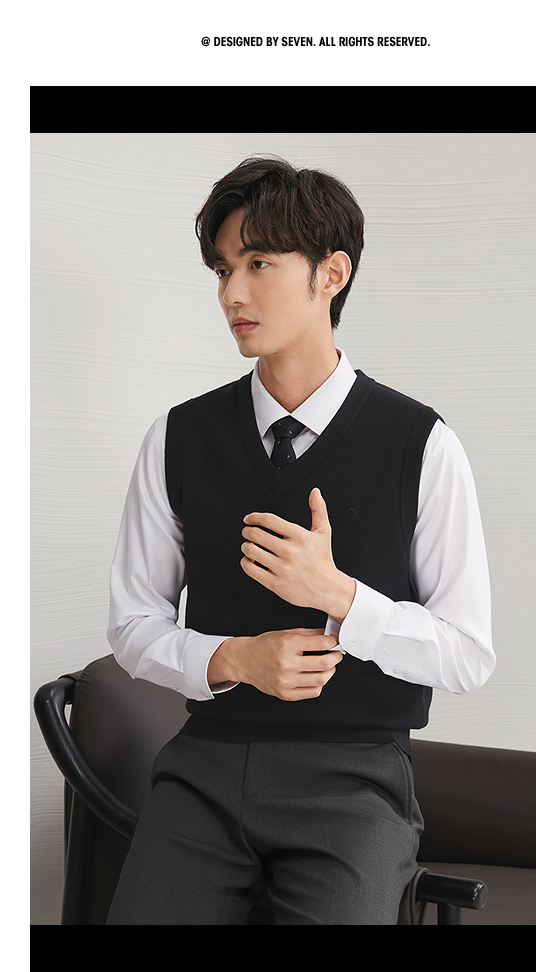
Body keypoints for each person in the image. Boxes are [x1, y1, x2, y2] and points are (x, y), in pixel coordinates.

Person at [104, 156, 495, 925]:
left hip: (354, 783)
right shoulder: (176, 437)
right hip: (203, 773)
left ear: (331, 273)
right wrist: (233, 659)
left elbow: (468, 653)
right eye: (223, 268)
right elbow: (131, 622)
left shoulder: (422, 444)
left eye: (258, 263)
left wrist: (340, 596)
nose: (231, 293)